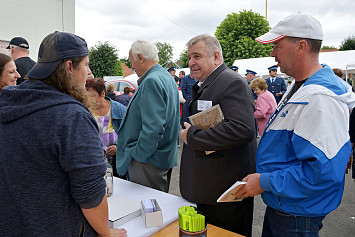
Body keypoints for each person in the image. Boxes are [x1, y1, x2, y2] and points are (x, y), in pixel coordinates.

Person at [236, 13, 355, 236]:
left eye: (277, 46)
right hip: (288, 206)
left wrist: (265, 181)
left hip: (297, 213)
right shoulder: (302, 87)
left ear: (301, 46)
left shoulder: (319, 97)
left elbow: (321, 173)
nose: (272, 54)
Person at [0, 31, 127, 237]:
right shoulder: (71, 116)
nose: (88, 72)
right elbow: (91, 194)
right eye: (85, 64)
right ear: (69, 67)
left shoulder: (9, 103)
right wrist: (107, 232)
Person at [180, 34, 256, 236]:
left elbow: (242, 128)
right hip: (212, 190)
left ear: (216, 56)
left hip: (225, 194)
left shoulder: (231, 82)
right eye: (189, 58)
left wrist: (193, 136)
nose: (191, 63)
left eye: (197, 56)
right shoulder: (209, 82)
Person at [116, 40, 180, 193]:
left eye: (132, 61)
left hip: (148, 162)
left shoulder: (152, 80)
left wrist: (138, 155)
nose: (132, 66)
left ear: (140, 57)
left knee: (146, 210)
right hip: (161, 157)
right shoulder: (166, 77)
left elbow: (154, 128)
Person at [85, 78, 127, 178]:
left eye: (92, 96)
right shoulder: (85, 110)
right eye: (87, 97)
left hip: (115, 165)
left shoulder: (119, 109)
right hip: (92, 164)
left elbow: (129, 136)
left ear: (103, 93)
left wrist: (118, 147)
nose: (89, 100)